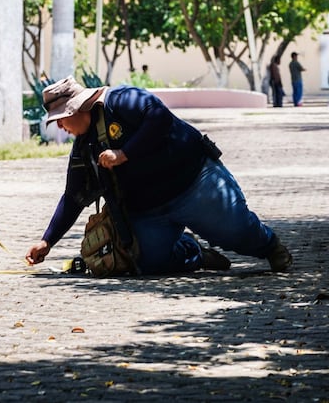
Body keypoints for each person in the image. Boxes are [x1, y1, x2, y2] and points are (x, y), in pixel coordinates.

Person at [25, 76, 293, 276]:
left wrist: (124, 153)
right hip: (148, 210)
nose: (60, 125)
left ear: (77, 107)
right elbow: (73, 196)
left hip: (194, 182)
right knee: (148, 264)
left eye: (62, 118)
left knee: (238, 234)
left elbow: (160, 117)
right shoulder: (83, 148)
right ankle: (195, 253)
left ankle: (270, 246)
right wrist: (47, 240)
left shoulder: (121, 99)